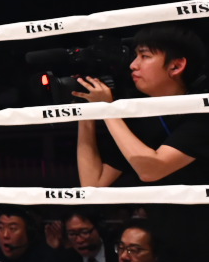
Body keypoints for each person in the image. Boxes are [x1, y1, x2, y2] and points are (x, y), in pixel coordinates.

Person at [76, 25, 208, 187]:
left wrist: (107, 110)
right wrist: (87, 112)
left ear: (176, 66)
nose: (133, 65)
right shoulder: (138, 113)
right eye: (135, 56)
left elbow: (152, 170)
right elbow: (92, 184)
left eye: (145, 56)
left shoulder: (203, 111)